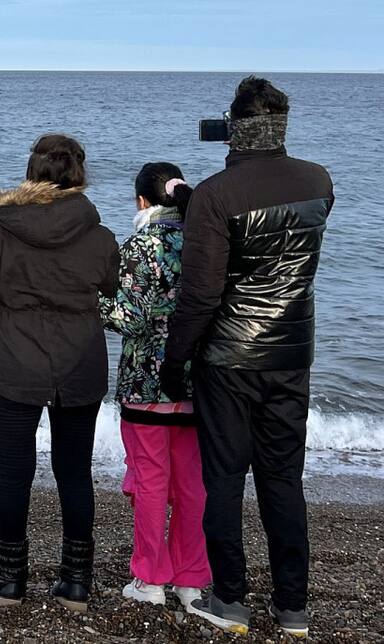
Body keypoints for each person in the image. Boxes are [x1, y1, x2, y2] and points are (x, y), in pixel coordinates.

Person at [163, 77, 334, 638]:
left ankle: (230, 599)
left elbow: (201, 295)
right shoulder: (318, 182)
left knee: (226, 480)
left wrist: (174, 359)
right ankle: (293, 608)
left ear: (234, 129)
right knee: (284, 480)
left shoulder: (215, 194)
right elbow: (278, 252)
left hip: (229, 359)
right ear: (279, 126)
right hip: (291, 352)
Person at [0, 134, 119, 612]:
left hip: (15, 364)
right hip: (79, 364)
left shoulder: (2, 230)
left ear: (31, 175)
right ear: (80, 176)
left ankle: (10, 581)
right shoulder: (100, 235)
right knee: (75, 474)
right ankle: (76, 582)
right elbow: (112, 288)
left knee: (14, 474)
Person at [99, 162, 211, 614]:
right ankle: (191, 580)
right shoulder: (207, 243)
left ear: (141, 201)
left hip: (147, 382)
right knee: (191, 484)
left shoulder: (141, 246)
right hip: (199, 380)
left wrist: (95, 298)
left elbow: (129, 318)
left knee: (149, 481)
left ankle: (150, 577)